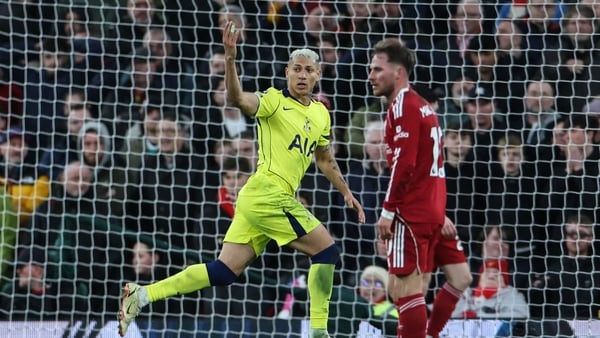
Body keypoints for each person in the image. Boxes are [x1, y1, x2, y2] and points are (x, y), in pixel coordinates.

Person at [118, 21, 365, 338]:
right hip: (268, 194)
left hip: (256, 200)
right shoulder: (274, 101)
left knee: (223, 270)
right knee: (326, 251)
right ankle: (319, 333)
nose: (302, 75)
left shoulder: (321, 114)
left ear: (318, 75)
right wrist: (231, 58)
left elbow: (324, 158)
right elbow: (237, 99)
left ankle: (142, 295)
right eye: (297, 69)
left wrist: (345, 192)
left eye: (309, 70)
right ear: (286, 72)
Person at [369, 38, 457, 338]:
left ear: (398, 73)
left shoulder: (403, 106)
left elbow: (404, 165)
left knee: (406, 291)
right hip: (431, 207)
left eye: (377, 69)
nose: (370, 76)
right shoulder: (422, 106)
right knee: (402, 287)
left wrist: (388, 212)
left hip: (411, 210)